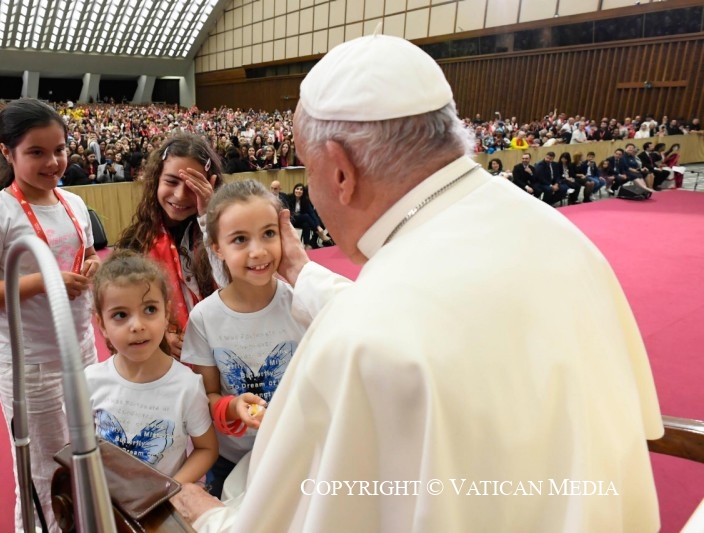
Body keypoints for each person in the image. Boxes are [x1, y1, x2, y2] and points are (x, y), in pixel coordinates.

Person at [172, 33, 663, 532]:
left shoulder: (363, 334)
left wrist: (211, 518)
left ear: (341, 172)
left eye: (310, 170)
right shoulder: (560, 236)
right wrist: (301, 272)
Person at [0, 99, 102, 533]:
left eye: (59, 150)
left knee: (87, 449)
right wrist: (43, 282)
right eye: (36, 152)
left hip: (81, 348)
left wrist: (91, 265)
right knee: (42, 467)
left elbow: (87, 253)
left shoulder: (73, 202)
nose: (52, 162)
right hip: (30, 362)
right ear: (7, 152)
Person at [181, 179, 309, 498]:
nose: (258, 251)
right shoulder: (204, 318)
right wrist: (232, 406)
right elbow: (208, 394)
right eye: (240, 239)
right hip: (232, 457)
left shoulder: (302, 303)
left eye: (268, 233)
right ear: (217, 248)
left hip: (296, 450)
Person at [85, 249, 218, 482]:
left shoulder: (187, 386)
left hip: (165, 501)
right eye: (120, 315)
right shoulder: (90, 381)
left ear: (166, 314)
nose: (137, 325)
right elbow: (83, 448)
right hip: (107, 500)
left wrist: (171, 490)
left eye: (150, 310)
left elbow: (206, 449)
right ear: (102, 325)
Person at [116, 132, 225, 360]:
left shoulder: (225, 236)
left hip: (222, 351)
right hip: (165, 363)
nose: (180, 195)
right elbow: (123, 308)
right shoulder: (135, 243)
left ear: (210, 186)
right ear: (156, 179)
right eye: (171, 181)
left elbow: (239, 287)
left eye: (193, 186)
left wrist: (209, 215)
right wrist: (159, 334)